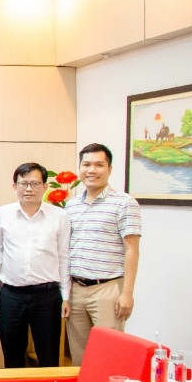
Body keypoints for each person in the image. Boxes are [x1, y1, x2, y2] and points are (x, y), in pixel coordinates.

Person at [65, 143, 141, 365]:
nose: (92, 170)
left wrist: (127, 293)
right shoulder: (71, 205)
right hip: (76, 290)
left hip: (107, 289)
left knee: (110, 355)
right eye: (86, 164)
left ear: (110, 169)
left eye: (99, 165)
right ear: (80, 168)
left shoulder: (125, 203)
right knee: (79, 357)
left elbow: (132, 250)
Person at [0, 162, 70, 369]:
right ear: (14, 186)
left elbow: (64, 256)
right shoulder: (2, 214)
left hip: (47, 295)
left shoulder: (60, 216)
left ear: (45, 187)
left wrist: (66, 296)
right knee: (12, 355)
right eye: (23, 183)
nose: (29, 189)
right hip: (11, 295)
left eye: (35, 184)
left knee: (49, 355)